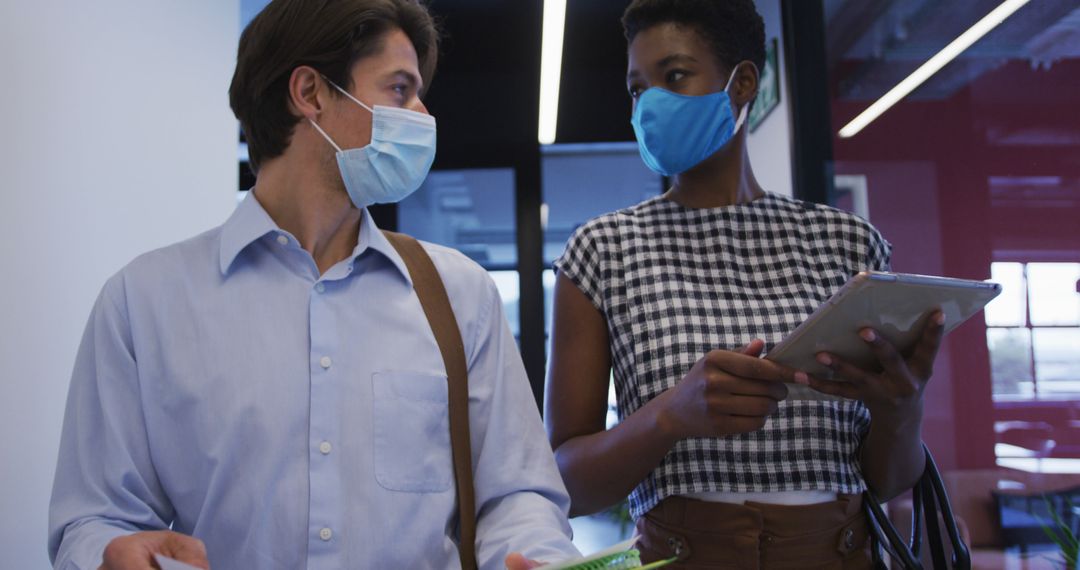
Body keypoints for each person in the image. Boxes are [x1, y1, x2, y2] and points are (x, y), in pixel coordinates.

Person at [48, 1, 578, 569]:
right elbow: (94, 515)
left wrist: (536, 557)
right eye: (400, 90)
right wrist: (110, 554)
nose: (422, 114)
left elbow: (517, 492)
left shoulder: (460, 296)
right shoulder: (143, 302)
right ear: (311, 93)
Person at [545, 0, 944, 567]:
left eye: (675, 75)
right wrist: (668, 415)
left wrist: (904, 407)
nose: (650, 103)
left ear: (742, 83)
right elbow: (567, 483)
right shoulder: (602, 250)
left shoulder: (848, 244)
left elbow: (888, 480)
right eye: (638, 89)